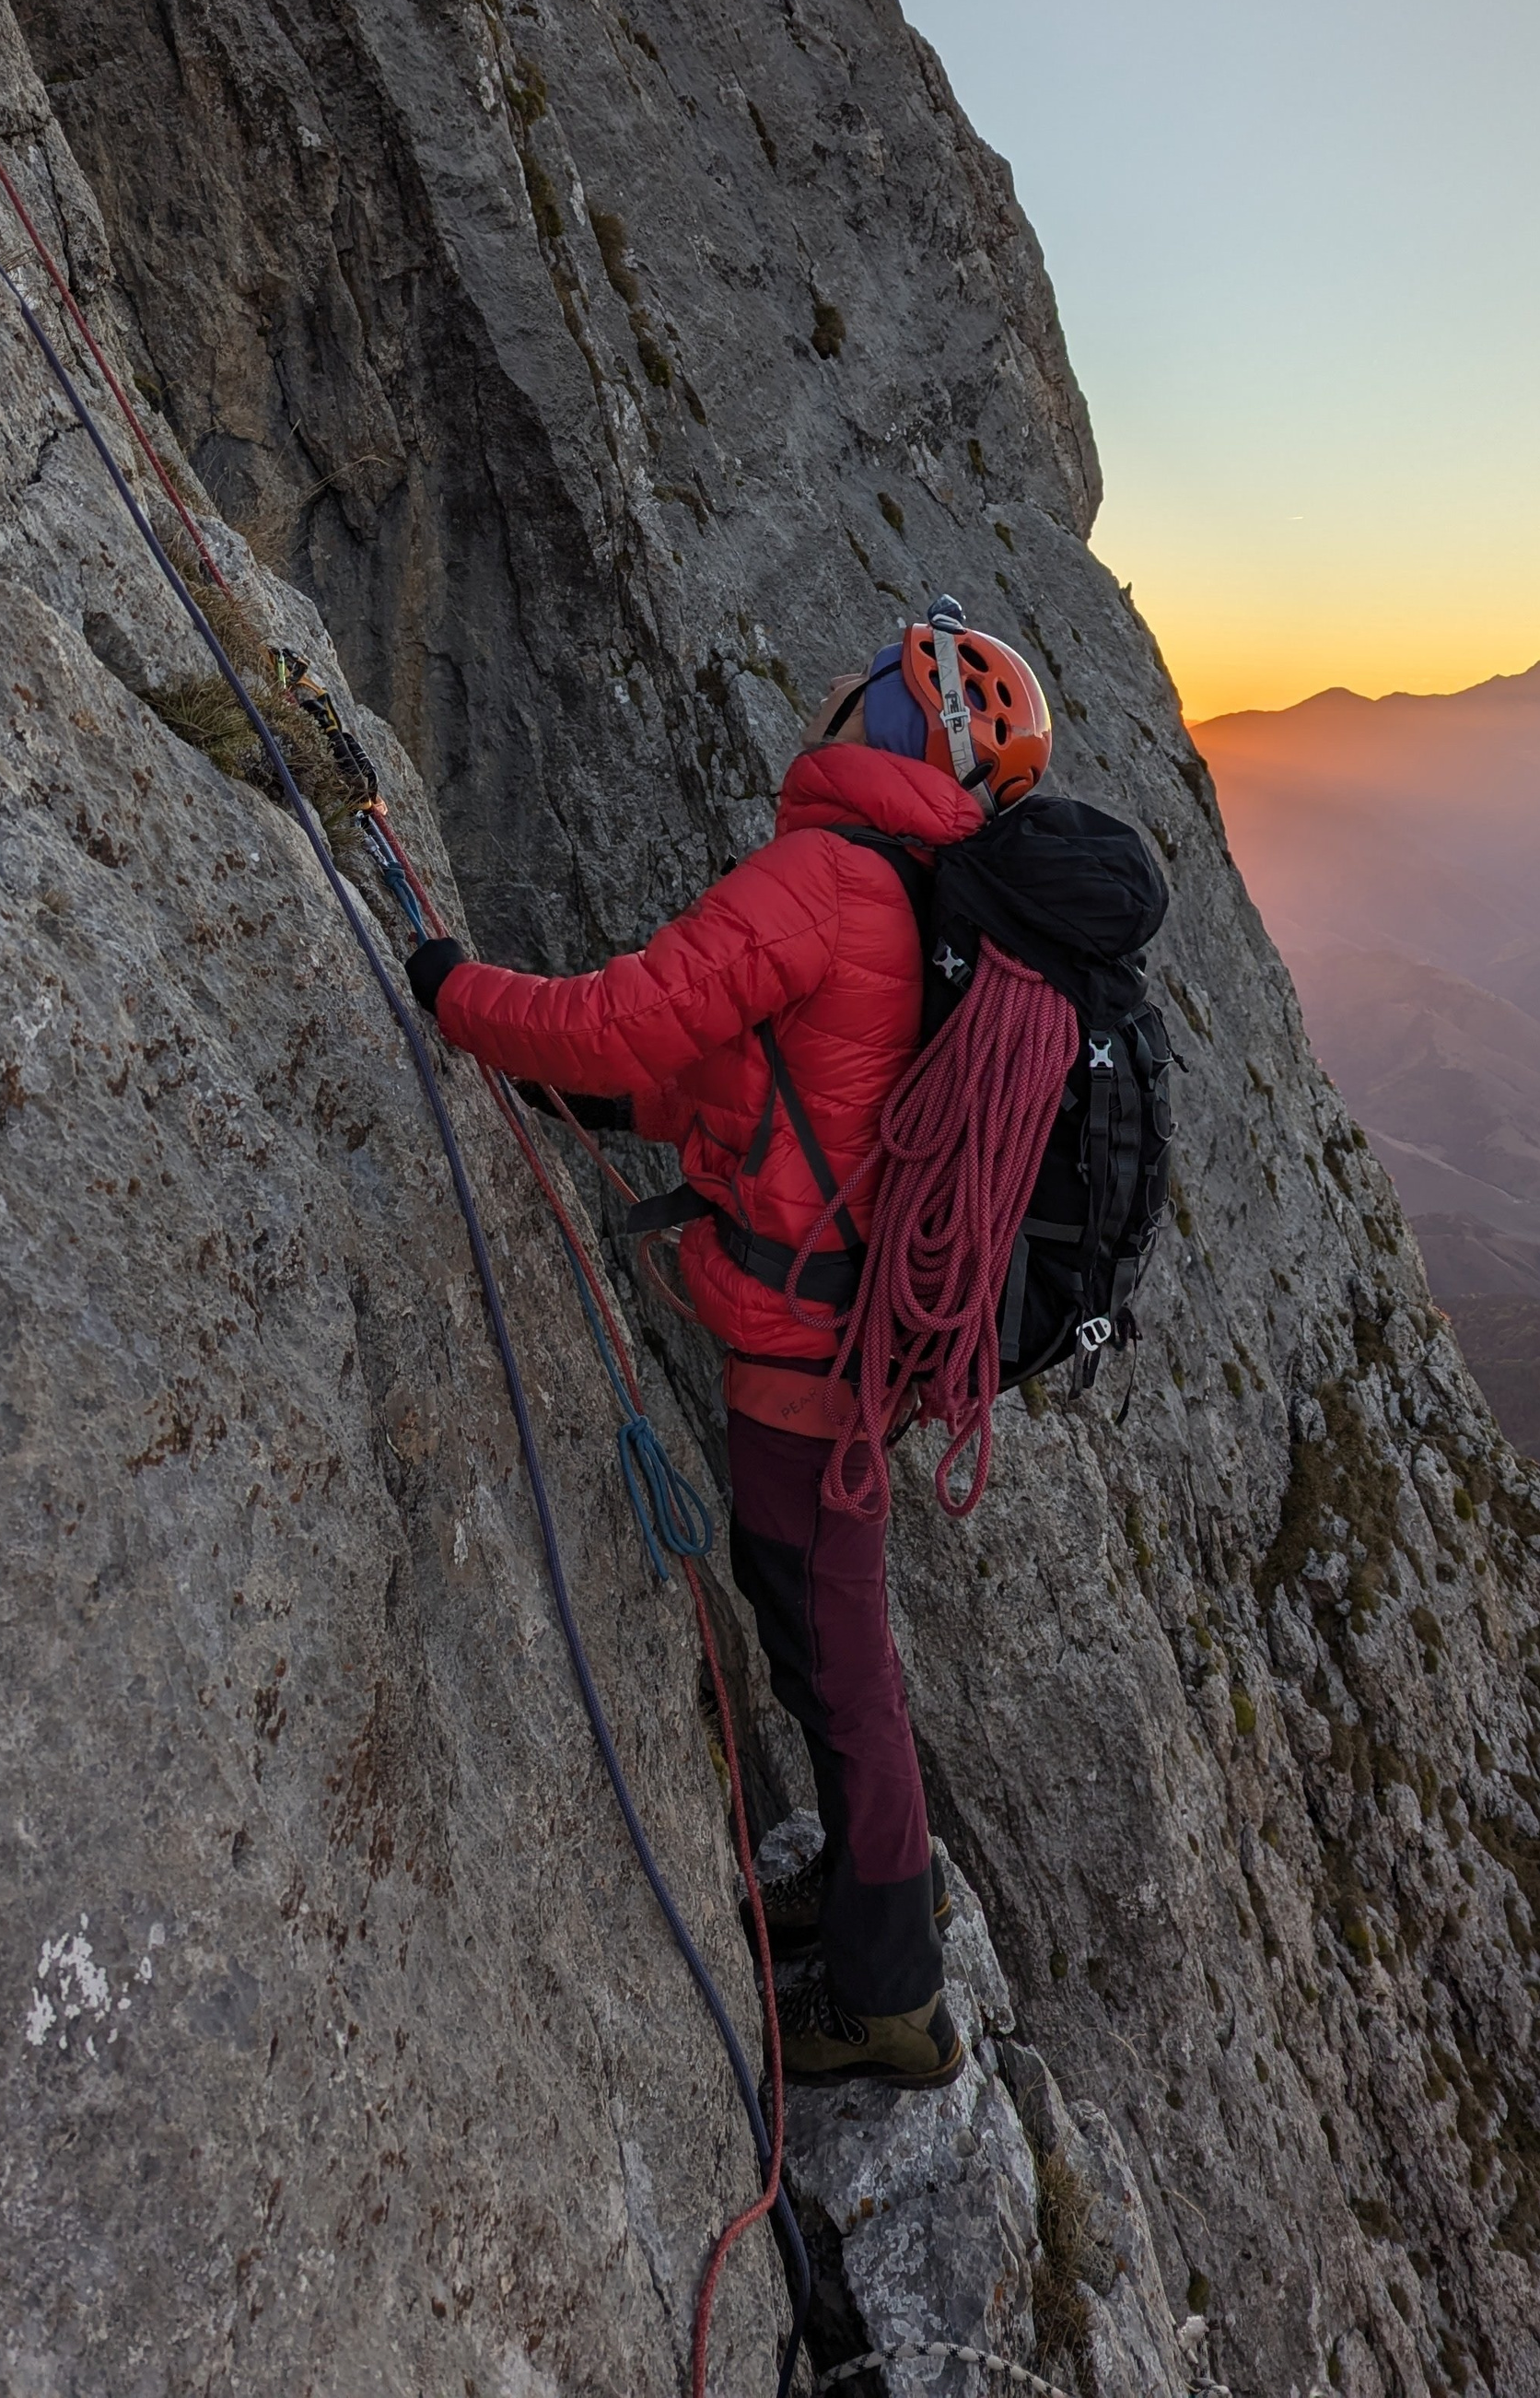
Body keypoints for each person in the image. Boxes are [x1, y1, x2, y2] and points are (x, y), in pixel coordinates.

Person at [404, 605, 1054, 2089]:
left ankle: (894, 1997)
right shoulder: (912, 892)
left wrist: (454, 993)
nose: (827, 690)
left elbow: (620, 1025)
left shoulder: (828, 877)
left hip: (804, 1358)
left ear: (894, 725)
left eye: (859, 683)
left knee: (836, 1656)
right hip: (858, 1337)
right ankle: (877, 1888)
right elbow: (763, 1087)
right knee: (820, 1634)